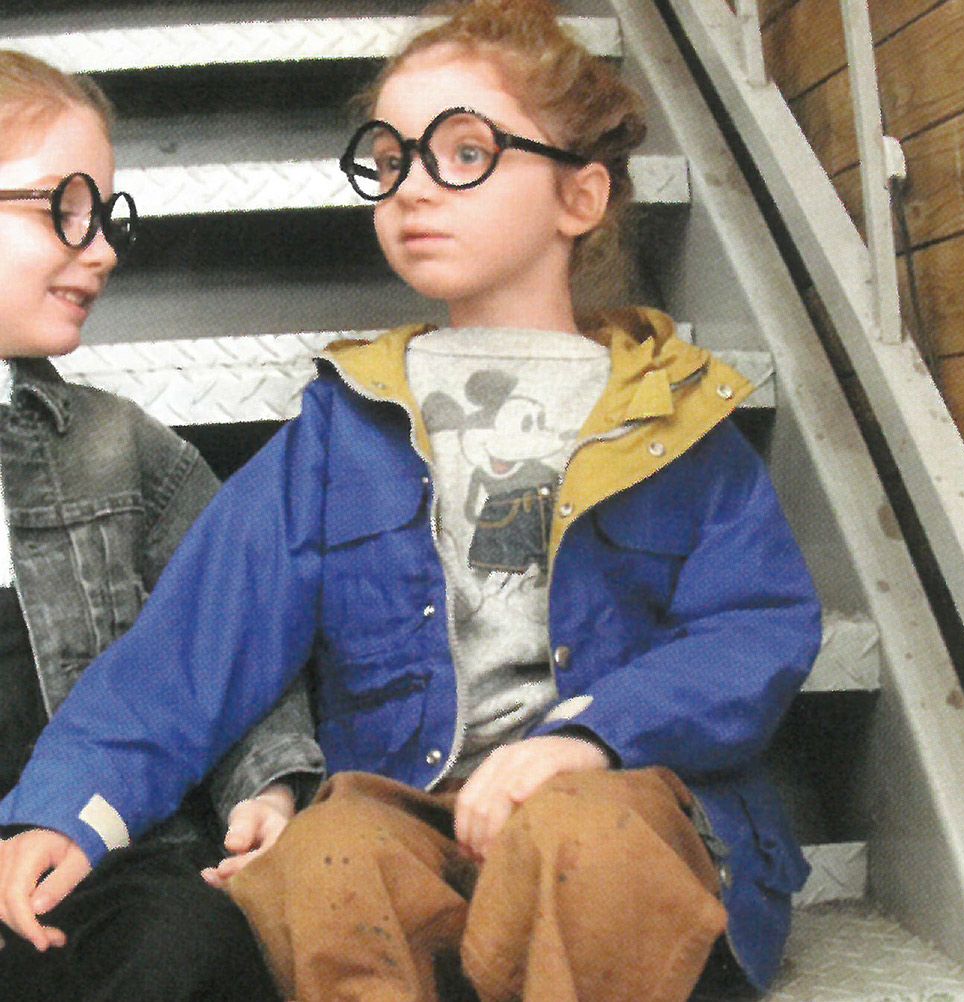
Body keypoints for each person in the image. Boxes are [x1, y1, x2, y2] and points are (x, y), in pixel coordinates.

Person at [0, 3, 822, 1000]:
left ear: (581, 195)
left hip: (614, 801)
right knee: (327, 856)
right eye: (390, 161)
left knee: (587, 837)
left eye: (464, 152)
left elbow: (755, 628)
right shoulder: (345, 426)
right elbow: (195, 642)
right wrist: (69, 809)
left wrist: (590, 736)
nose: (413, 187)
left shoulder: (676, 417)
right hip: (410, 810)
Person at [0, 49, 324, 1001]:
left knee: (191, 945)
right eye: (65, 210)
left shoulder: (120, 448)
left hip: (95, 855)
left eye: (107, 216)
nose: (102, 248)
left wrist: (265, 787)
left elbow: (234, 643)